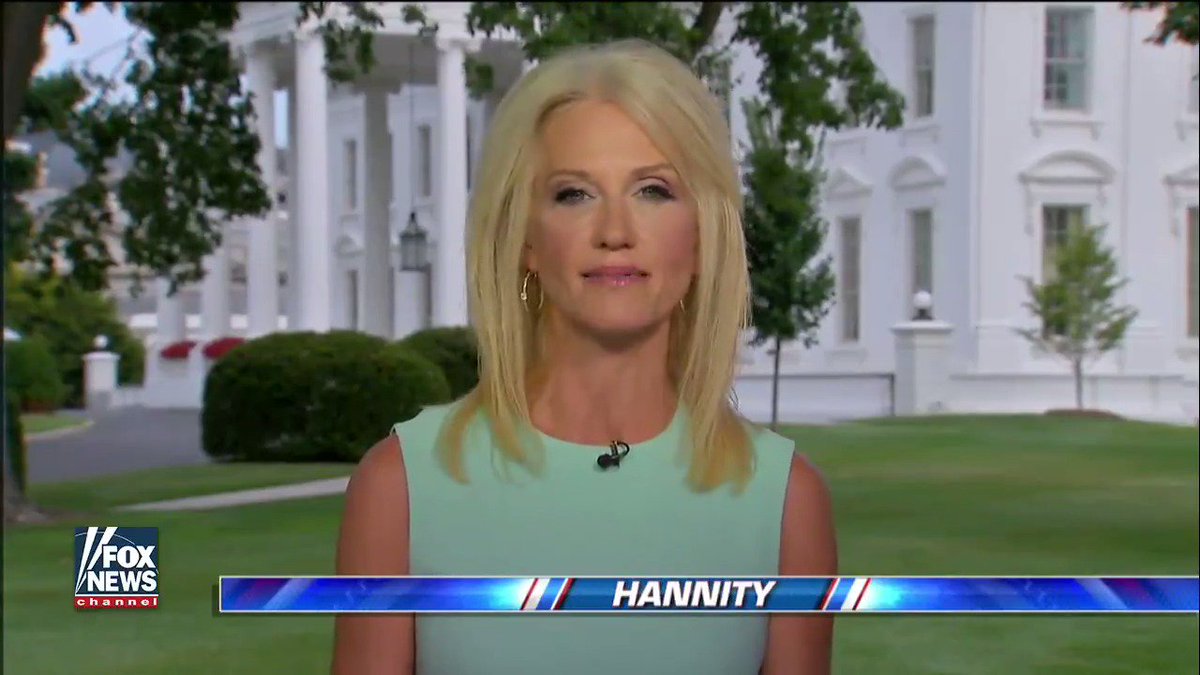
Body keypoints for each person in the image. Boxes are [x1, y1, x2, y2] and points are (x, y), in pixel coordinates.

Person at [332, 38, 837, 675]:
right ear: (525, 239)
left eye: (653, 190)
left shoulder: (785, 501)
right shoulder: (401, 488)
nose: (615, 232)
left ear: (702, 234)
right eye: (574, 194)